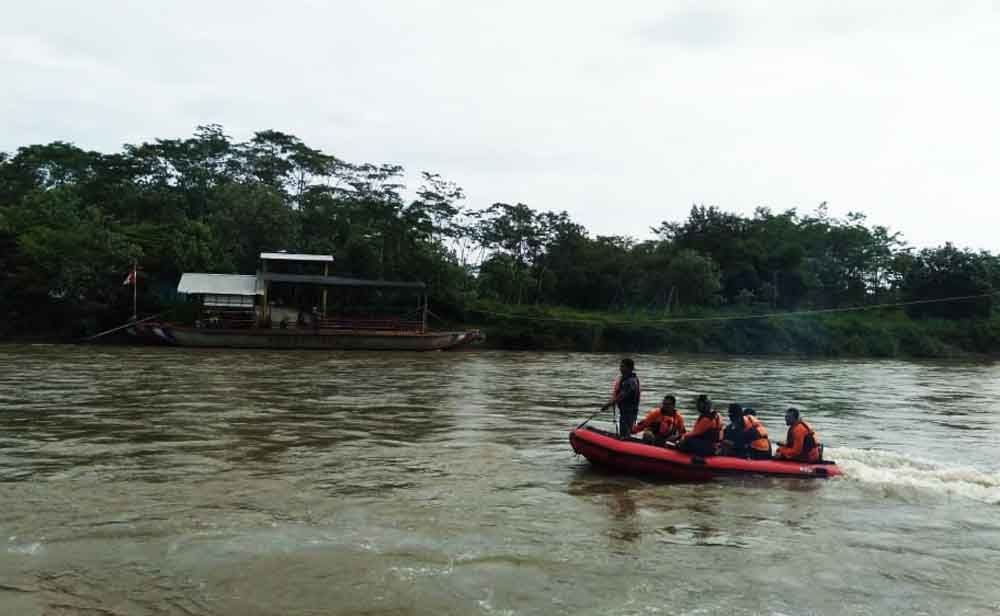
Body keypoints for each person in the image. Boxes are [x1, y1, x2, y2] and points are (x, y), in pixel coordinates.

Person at [601, 358, 640, 439]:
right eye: (620, 366)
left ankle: (626, 441)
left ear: (629, 368)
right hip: (625, 411)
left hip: (629, 412)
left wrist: (608, 404)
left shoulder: (630, 382)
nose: (620, 369)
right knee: (624, 431)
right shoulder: (626, 379)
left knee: (625, 433)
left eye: (622, 366)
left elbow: (621, 396)